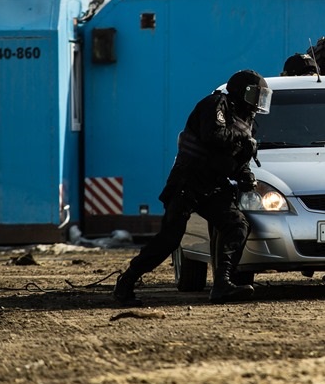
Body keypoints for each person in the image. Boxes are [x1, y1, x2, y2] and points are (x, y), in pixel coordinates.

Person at [113, 69, 272, 306]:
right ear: (242, 92)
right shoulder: (217, 104)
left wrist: (245, 175)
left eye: (262, 97)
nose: (258, 103)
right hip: (188, 182)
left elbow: (236, 160)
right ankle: (125, 283)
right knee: (170, 238)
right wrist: (242, 137)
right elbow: (213, 136)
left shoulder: (246, 120)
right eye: (255, 95)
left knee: (237, 225)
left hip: (213, 186)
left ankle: (222, 284)